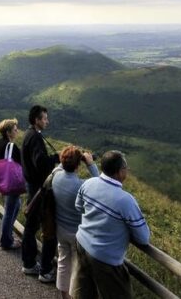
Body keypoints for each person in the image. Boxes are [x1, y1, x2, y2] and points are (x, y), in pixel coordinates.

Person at [72, 151, 150, 299]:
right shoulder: (126, 200)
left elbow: (79, 207)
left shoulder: (88, 183)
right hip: (105, 258)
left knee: (85, 292)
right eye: (126, 168)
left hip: (82, 243)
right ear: (120, 172)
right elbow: (143, 238)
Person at [21, 104, 61, 283]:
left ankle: (29, 262)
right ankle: (31, 264)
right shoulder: (35, 138)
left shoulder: (29, 134)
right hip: (38, 187)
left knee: (31, 225)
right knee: (33, 226)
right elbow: (41, 163)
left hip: (32, 185)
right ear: (36, 120)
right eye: (44, 118)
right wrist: (56, 158)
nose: (47, 121)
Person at [53, 146, 99, 298]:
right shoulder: (80, 186)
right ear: (78, 165)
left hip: (60, 228)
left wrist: (70, 157)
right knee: (76, 268)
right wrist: (90, 163)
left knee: (63, 262)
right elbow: (98, 183)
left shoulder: (56, 176)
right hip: (76, 232)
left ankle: (63, 295)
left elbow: (61, 165)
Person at [0, 119, 24, 251]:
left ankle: (8, 236)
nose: (17, 131)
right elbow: (23, 163)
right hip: (12, 184)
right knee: (10, 211)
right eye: (15, 129)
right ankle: (6, 242)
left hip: (2, 181)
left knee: (15, 206)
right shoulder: (11, 147)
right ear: (9, 132)